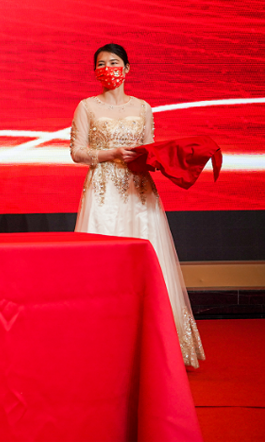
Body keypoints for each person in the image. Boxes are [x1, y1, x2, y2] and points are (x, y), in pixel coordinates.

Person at [70, 43, 205, 368]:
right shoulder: (86, 106)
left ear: (127, 68)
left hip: (139, 190)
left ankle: (157, 346)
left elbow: (149, 149)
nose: (108, 69)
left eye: (114, 62)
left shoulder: (143, 107)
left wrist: (162, 159)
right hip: (103, 191)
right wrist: (112, 154)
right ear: (94, 72)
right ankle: (101, 345)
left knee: (147, 260)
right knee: (103, 263)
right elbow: (77, 152)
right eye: (101, 64)